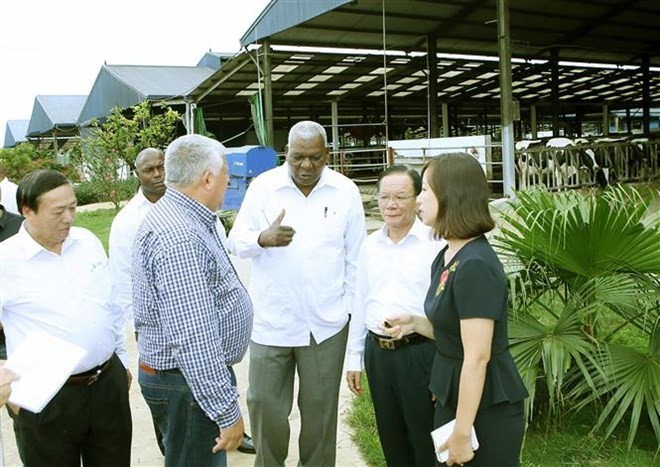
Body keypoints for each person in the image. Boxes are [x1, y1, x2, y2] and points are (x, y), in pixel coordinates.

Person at [228, 120, 366, 467]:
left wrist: (349, 315)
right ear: (286, 153)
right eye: (299, 157)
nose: (307, 166)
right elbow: (235, 241)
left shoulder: (344, 191)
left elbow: (355, 261)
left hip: (326, 325)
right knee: (263, 405)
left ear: (327, 155)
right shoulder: (264, 187)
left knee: (320, 416)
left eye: (316, 158)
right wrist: (262, 239)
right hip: (272, 321)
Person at [384, 153, 528, 467]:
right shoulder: (448, 255)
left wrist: (462, 433)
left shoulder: (475, 265)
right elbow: (454, 329)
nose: (418, 200)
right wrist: (415, 323)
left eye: (425, 191)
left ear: (451, 196)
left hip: (486, 407)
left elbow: (477, 356)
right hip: (457, 399)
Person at [132, 134, 253, 467]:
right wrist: (226, 411)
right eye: (226, 173)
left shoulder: (191, 218)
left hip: (186, 381)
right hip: (185, 383)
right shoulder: (178, 235)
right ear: (208, 178)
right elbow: (193, 336)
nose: (229, 180)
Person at [0, 169, 132, 467]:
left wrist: (121, 360)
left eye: (72, 207)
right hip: (46, 397)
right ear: (27, 211)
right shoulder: (5, 261)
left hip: (106, 384)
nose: (69, 218)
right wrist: (11, 393)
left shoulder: (86, 242)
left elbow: (110, 304)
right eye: (58, 211)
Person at [345, 165, 444, 467]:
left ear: (418, 199)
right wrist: (355, 357)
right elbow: (361, 302)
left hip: (421, 352)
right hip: (380, 355)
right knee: (391, 436)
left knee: (427, 438)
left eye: (400, 196)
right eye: (384, 196)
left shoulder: (435, 244)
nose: (390, 204)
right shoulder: (370, 245)